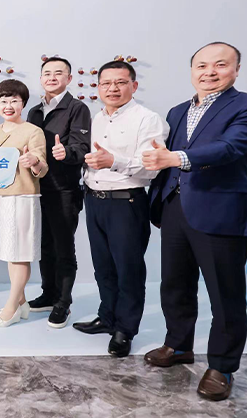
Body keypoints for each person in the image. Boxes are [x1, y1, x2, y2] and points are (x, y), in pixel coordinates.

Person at [143, 42, 247, 401]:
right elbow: (162, 155)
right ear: (192, 71)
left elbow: (232, 148)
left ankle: (222, 366)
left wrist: (176, 158)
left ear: (236, 69)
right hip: (175, 206)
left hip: (220, 210)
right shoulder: (177, 111)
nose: (209, 72)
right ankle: (178, 345)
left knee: (225, 293)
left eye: (220, 65)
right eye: (202, 66)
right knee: (174, 283)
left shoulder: (245, 106)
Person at [73, 60, 168, 357]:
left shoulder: (147, 119)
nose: (112, 88)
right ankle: (107, 317)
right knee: (103, 266)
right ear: (98, 87)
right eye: (106, 83)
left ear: (134, 86)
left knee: (128, 269)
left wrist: (113, 161)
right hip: (94, 200)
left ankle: (125, 329)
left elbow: (152, 167)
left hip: (126, 202)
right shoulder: (96, 118)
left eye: (120, 82)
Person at [26, 56, 91, 328]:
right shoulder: (34, 111)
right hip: (38, 188)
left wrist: (67, 152)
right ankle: (49, 293)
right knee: (44, 245)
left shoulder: (77, 108)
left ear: (69, 78)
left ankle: (63, 302)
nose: (52, 77)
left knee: (64, 247)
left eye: (58, 73)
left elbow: (83, 147)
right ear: (41, 78)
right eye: (47, 73)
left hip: (64, 189)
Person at [0, 79, 48, 328]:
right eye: (3, 101)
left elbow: (42, 166)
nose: (8, 106)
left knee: (21, 254)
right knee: (9, 252)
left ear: (23, 103)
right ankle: (22, 303)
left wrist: (34, 161)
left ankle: (11, 307)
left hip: (22, 197)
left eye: (14, 101)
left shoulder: (33, 131)